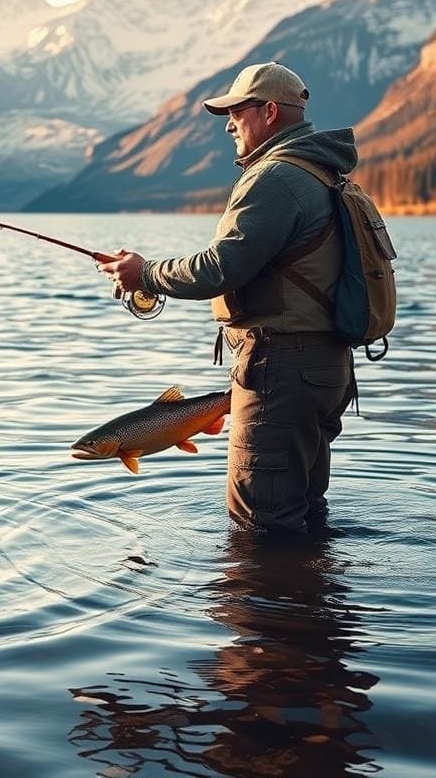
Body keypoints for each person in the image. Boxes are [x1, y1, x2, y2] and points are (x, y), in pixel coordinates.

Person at [99, 61, 357, 535]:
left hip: (283, 367)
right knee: (302, 506)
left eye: (237, 111)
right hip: (324, 367)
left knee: (260, 519)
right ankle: (314, 601)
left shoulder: (277, 178)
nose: (228, 124)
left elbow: (221, 268)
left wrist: (145, 274)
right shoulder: (323, 171)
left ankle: (262, 609)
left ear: (271, 112)